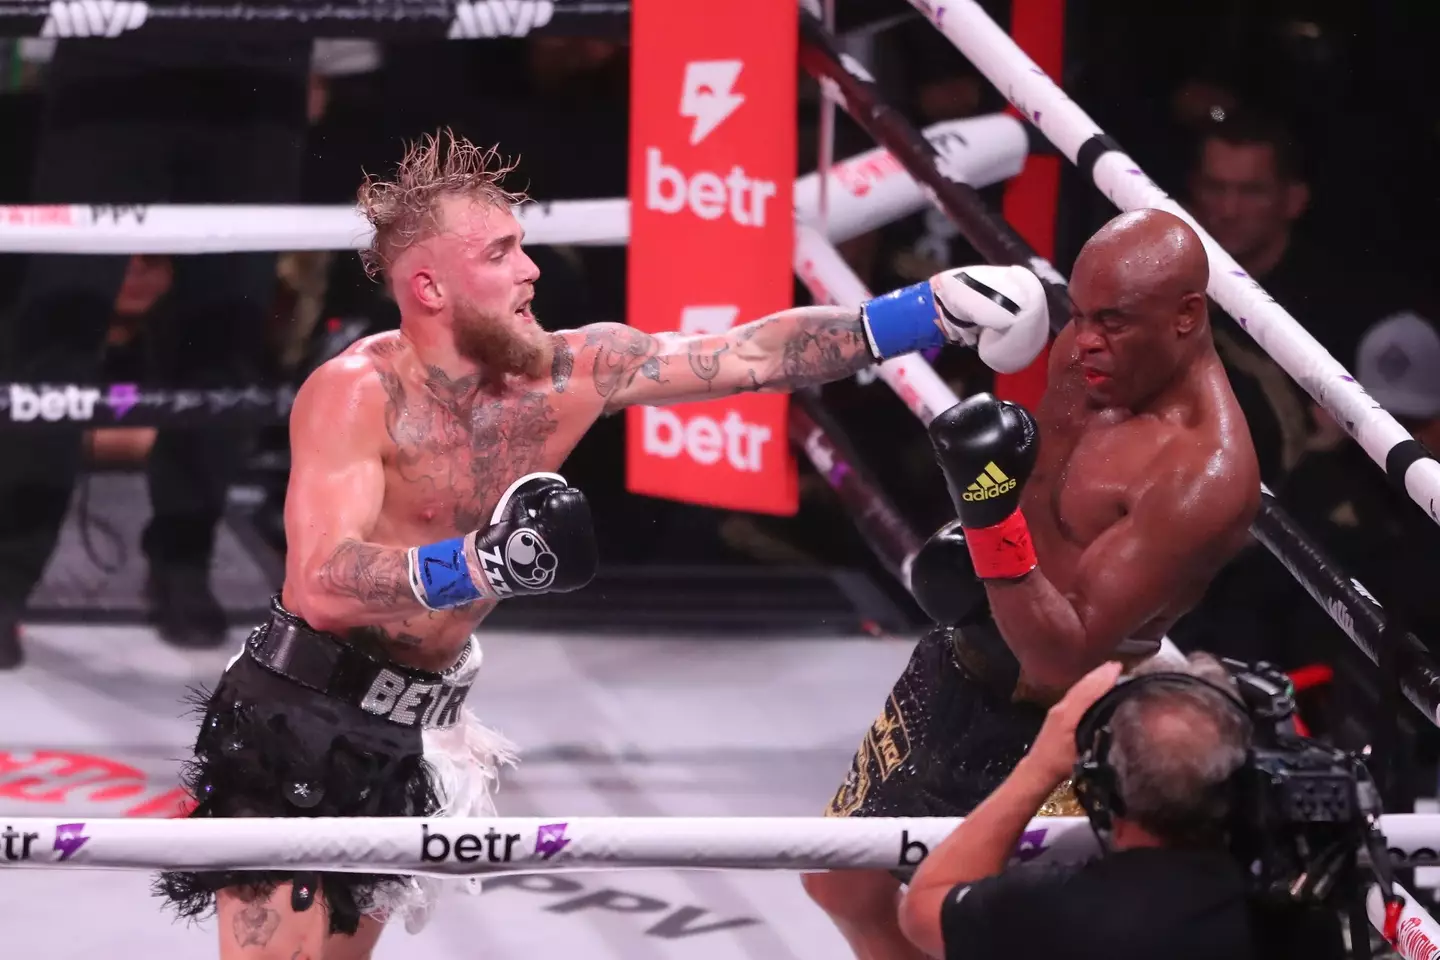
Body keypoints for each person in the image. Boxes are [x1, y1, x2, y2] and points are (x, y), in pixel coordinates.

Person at [152, 129, 1052, 960]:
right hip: (303, 710)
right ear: (429, 287)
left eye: (522, 245)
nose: (532, 270)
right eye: (500, 254)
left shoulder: (569, 372)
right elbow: (323, 583)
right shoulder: (357, 394)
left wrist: (918, 314)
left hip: (412, 721)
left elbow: (744, 355)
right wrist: (480, 564)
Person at [802, 208, 1263, 959]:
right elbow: (1032, 496)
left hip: (1056, 720)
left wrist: (983, 520)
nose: (1083, 341)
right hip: (967, 656)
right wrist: (982, 533)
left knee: (970, 927)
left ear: (1185, 317)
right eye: (1078, 314)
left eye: (1112, 322)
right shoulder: (1092, 359)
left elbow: (1064, 656)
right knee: (839, 883)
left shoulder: (1200, 477)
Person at [897, 653, 1346, 960]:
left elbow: (921, 910)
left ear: (1104, 785)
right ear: (1243, 783)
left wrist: (1040, 766)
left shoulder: (1042, 907)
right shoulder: (1294, 926)